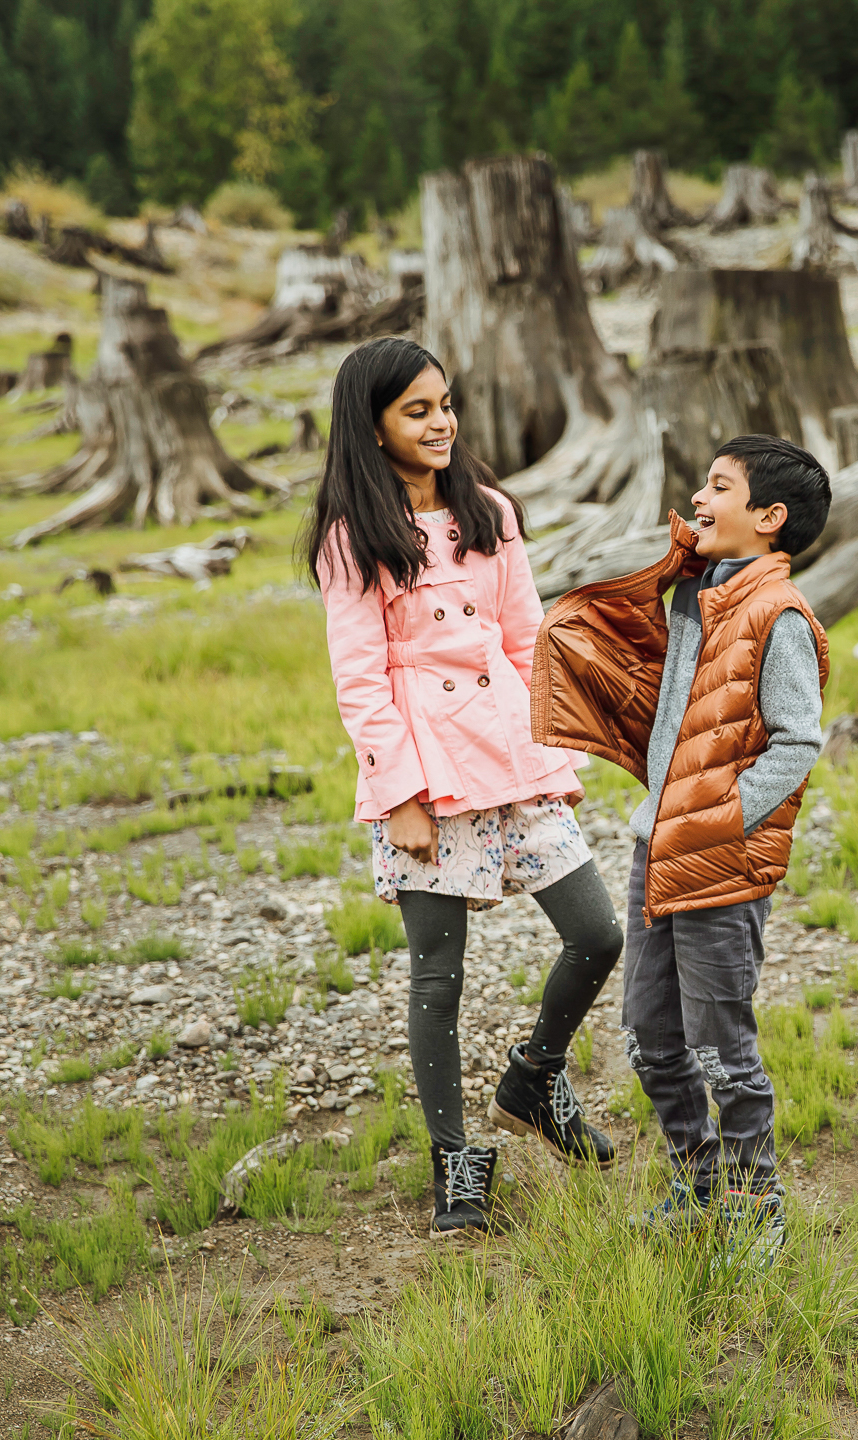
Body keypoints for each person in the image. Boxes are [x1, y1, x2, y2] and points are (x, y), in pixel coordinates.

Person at [305, 336, 624, 1238]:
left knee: (598, 932)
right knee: (438, 976)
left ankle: (533, 1078)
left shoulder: (490, 510)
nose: (441, 422)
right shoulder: (350, 537)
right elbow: (360, 679)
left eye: (446, 404)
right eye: (418, 410)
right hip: (428, 772)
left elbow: (527, 641)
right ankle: (456, 1158)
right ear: (371, 428)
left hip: (512, 751)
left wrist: (558, 749)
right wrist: (398, 794)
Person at [532, 434, 830, 1266]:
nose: (699, 496)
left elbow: (799, 741)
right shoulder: (696, 595)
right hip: (655, 846)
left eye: (719, 486)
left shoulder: (780, 616)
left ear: (769, 518)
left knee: (718, 1044)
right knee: (648, 1037)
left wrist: (722, 816)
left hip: (721, 861)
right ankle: (697, 1186)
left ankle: (755, 1204)